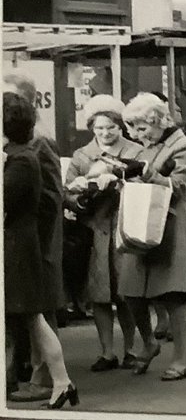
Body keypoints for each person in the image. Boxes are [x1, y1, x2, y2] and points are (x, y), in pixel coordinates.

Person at [117, 93, 186, 381]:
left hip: (172, 224)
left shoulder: (183, 146)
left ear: (158, 120)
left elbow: (181, 187)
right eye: (134, 129)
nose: (137, 134)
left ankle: (180, 358)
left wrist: (147, 172)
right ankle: (149, 343)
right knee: (130, 290)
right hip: (141, 221)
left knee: (172, 294)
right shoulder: (145, 145)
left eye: (142, 128)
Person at [4, 93, 78, 409]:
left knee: (29, 319)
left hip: (15, 249)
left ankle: (60, 381)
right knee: (33, 321)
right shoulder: (19, 155)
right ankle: (62, 383)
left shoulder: (21, 160)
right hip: (18, 247)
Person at [63, 95, 142, 372]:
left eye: (111, 127)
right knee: (98, 295)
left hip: (124, 228)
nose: (105, 133)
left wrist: (121, 184)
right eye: (99, 128)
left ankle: (131, 348)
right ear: (91, 128)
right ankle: (107, 351)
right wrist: (80, 196)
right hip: (94, 231)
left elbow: (144, 185)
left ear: (120, 127)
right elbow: (67, 191)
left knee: (126, 293)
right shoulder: (81, 156)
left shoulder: (135, 151)